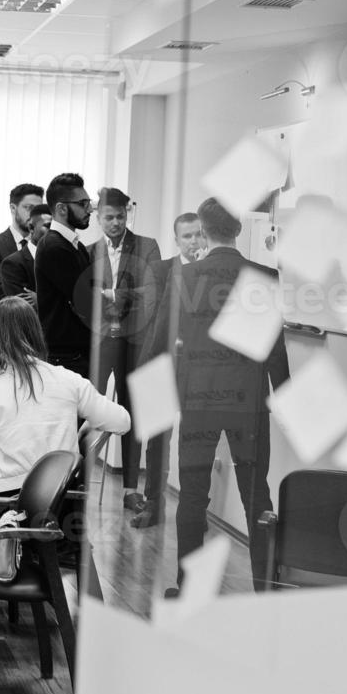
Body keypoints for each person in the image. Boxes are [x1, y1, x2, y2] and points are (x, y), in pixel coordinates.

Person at [0, 298, 129, 551]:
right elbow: (122, 421)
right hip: (58, 506)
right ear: (36, 333)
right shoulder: (70, 380)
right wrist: (84, 432)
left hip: (11, 506)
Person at [170, 198, 290, 593]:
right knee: (258, 498)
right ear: (240, 229)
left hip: (198, 402)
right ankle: (265, 588)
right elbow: (274, 348)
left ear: (203, 231)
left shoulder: (186, 277)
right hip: (249, 404)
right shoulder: (265, 275)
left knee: (192, 496)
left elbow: (175, 346)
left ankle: (188, 589)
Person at [130, 210, 207, 526]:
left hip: (200, 368)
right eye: (187, 236)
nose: (193, 241)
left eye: (198, 234)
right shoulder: (160, 271)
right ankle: (152, 504)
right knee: (158, 438)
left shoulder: (216, 272)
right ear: (176, 240)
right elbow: (153, 321)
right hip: (162, 364)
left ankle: (194, 510)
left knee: (197, 440)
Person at [90, 188, 161, 490]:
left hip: (133, 344)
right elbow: (84, 296)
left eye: (121, 216)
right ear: (98, 217)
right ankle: (77, 484)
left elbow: (154, 291)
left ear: (127, 213)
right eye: (109, 217)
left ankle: (131, 488)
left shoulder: (147, 246)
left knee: (132, 416)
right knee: (85, 410)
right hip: (100, 341)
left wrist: (112, 295)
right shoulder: (89, 251)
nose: (116, 223)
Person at [33, 173, 95, 378]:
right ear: (61, 208)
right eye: (83, 203)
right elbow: (86, 300)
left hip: (76, 354)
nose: (90, 209)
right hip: (64, 357)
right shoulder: (54, 246)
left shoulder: (76, 247)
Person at [0, 182, 45, 312]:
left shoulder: (46, 245)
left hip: (38, 326)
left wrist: (40, 299)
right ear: (13, 208)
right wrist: (36, 297)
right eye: (29, 208)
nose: (34, 215)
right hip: (3, 324)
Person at [0, 203, 52, 302]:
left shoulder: (64, 260)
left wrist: (39, 299)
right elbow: (23, 308)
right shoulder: (13, 264)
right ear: (31, 228)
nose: (54, 232)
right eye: (48, 226)